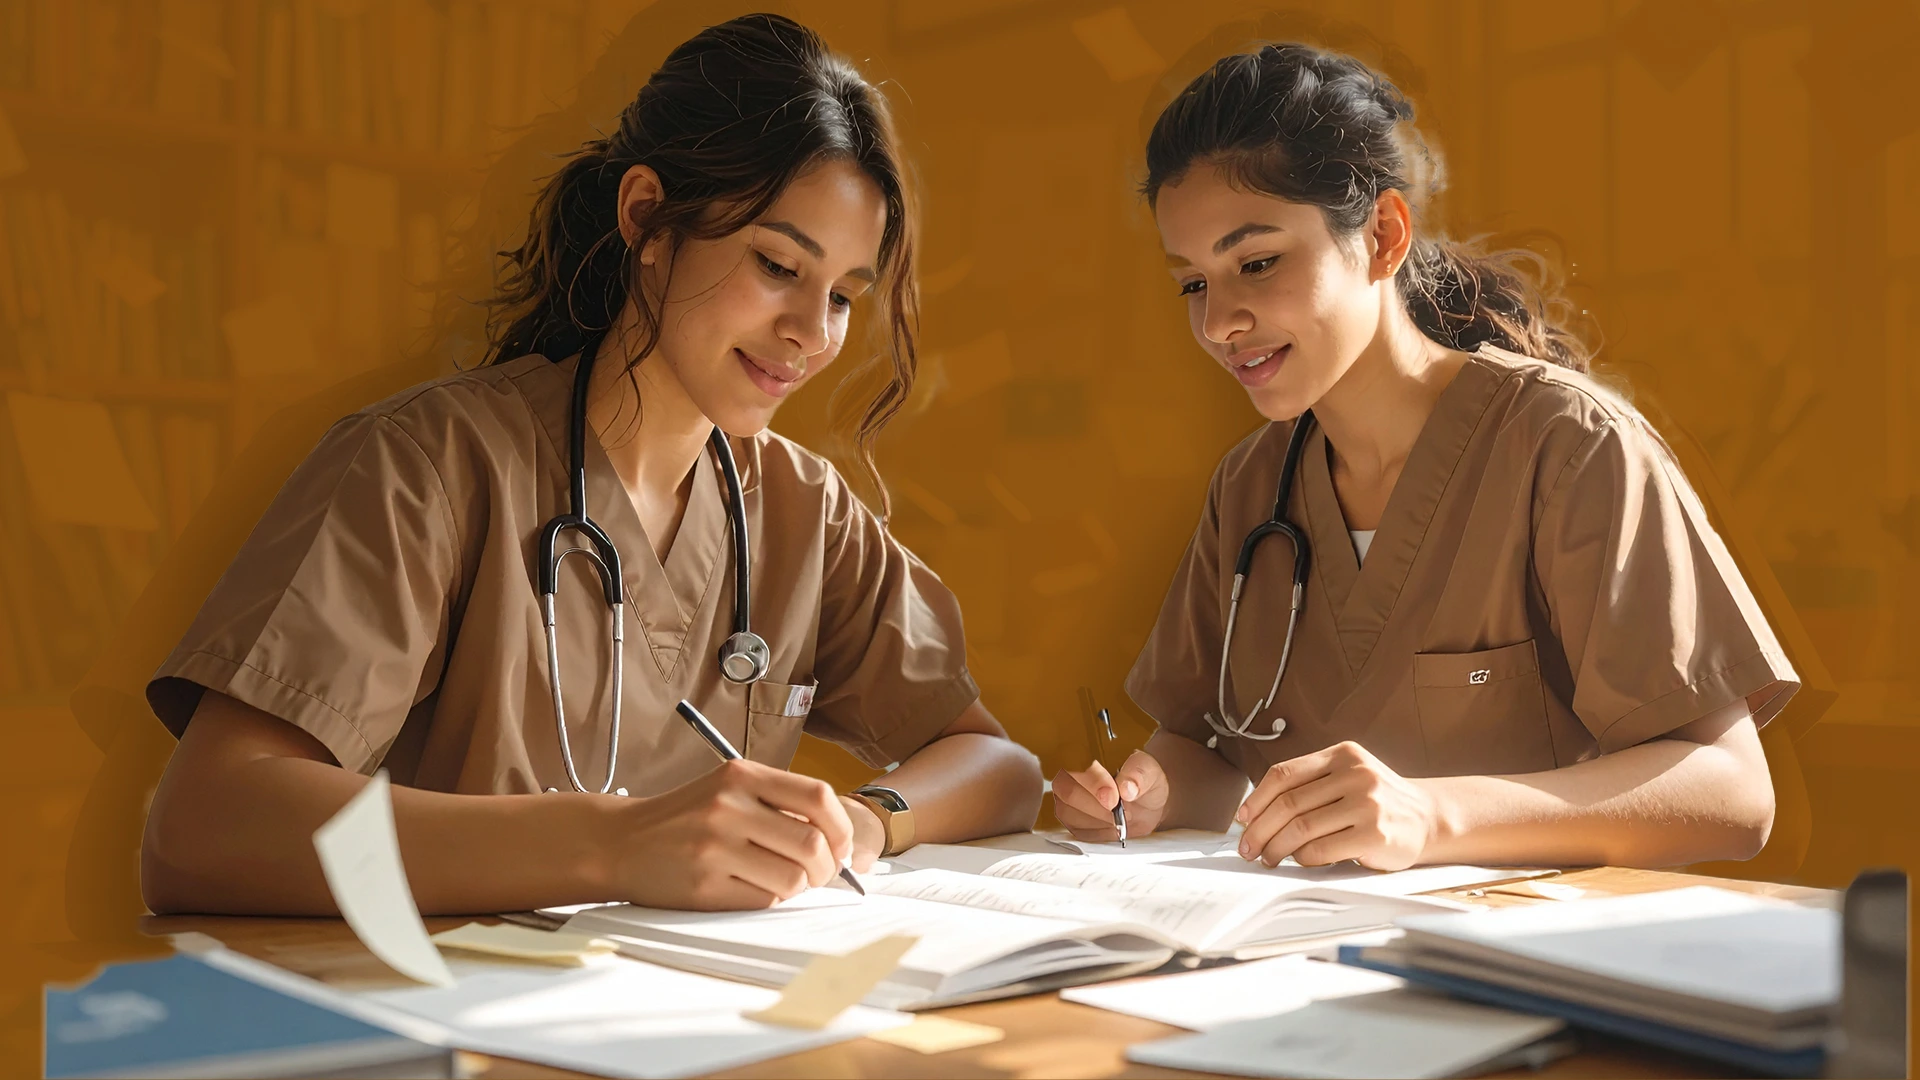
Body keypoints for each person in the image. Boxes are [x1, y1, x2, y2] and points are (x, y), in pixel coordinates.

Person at [139, 13, 1041, 917]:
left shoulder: (805, 511)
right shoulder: (432, 466)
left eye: (843, 296)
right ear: (647, 217)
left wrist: (867, 819)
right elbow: (205, 826)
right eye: (776, 265)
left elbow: (997, 765)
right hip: (463, 1013)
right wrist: (613, 845)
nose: (812, 333)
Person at [1053, 42, 1792, 872]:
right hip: (1301, 956)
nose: (1219, 321)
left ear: (1381, 235)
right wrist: (1149, 791)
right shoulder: (1252, 487)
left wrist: (1433, 818)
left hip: (1529, 958)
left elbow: (1732, 793)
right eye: (1193, 282)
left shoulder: (1567, 446)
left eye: (1256, 262)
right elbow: (1213, 758)